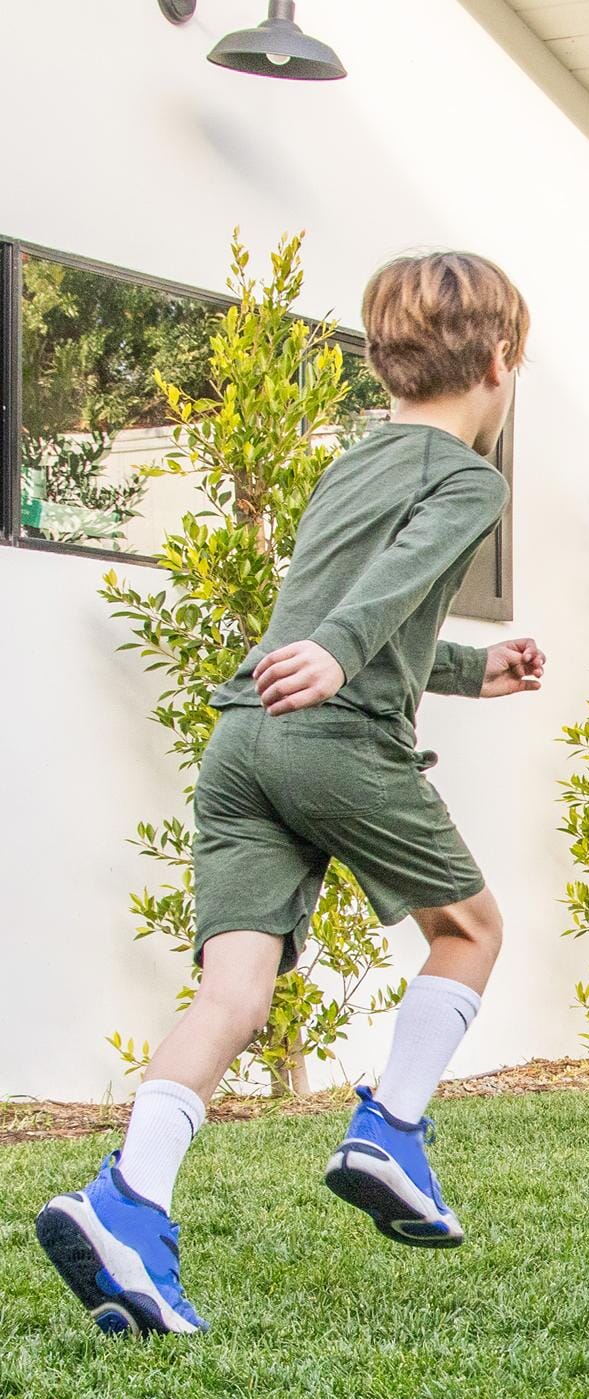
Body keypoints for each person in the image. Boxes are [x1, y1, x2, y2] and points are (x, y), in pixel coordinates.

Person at [36, 251, 545, 1334]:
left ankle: (126, 1201)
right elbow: (380, 597)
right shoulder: (470, 478)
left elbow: (354, 604)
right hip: (330, 738)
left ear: (384, 365)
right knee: (471, 930)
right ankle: (391, 1129)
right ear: (501, 361)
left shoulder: (355, 461)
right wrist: (340, 652)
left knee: (233, 997)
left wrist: (465, 667)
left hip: (241, 745)